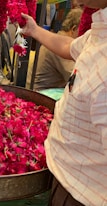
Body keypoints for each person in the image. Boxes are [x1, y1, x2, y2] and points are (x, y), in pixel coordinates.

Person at [21, 0, 107, 205]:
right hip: (65, 180)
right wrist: (34, 29)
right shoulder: (100, 31)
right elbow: (70, 46)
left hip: (84, 195)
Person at [34, 8, 82, 91]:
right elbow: (75, 78)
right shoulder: (62, 46)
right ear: (73, 29)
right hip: (44, 93)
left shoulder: (59, 40)